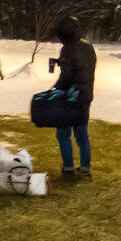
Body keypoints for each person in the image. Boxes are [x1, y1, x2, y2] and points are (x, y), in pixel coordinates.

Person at [53, 15, 96, 180]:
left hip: (69, 98)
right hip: (85, 96)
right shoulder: (88, 47)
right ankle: (85, 169)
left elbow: (67, 76)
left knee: (63, 135)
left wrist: (55, 89)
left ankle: (68, 168)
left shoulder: (68, 49)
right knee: (82, 135)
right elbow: (84, 69)